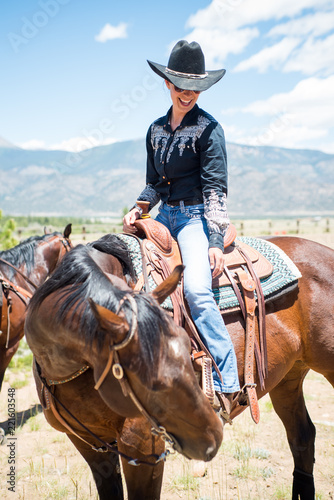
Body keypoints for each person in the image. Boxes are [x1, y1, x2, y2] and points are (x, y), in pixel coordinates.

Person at [123, 40, 240, 418]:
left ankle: (228, 381)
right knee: (128, 276)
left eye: (195, 87)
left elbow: (215, 188)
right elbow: (154, 183)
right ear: (167, 84)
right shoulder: (155, 130)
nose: (188, 93)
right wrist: (138, 208)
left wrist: (215, 240)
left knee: (196, 292)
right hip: (163, 217)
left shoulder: (209, 130)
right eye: (180, 85)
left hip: (193, 218)